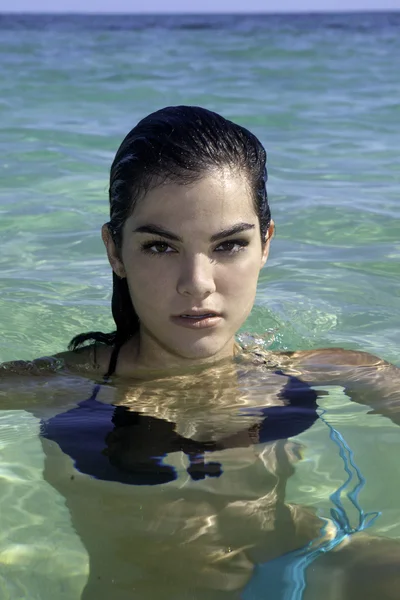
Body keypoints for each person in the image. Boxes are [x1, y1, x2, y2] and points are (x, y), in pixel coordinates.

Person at [1, 106, 400, 600]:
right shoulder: (55, 387)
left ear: (266, 243)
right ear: (114, 252)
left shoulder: (322, 369)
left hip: (296, 567)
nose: (197, 284)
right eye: (160, 247)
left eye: (229, 244)